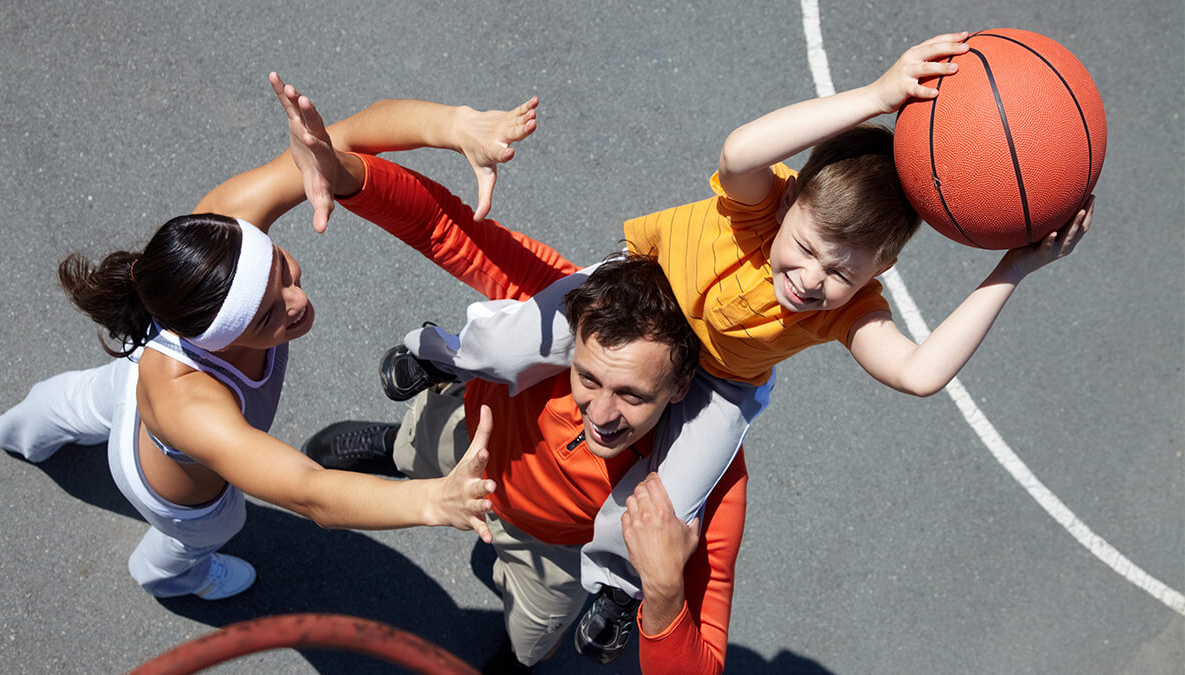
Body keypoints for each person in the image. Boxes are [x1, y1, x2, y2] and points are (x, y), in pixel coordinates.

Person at [378, 31, 1096, 660]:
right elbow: (741, 148)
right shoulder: (757, 206)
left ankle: (615, 587)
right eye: (807, 249)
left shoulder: (848, 311)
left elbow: (919, 372)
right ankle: (440, 353)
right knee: (511, 343)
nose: (810, 280)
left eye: (840, 272)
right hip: (645, 287)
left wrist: (1014, 267)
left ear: (882, 269)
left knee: (671, 497)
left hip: (719, 383)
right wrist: (877, 96)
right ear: (791, 203)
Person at [0, 74, 544, 600]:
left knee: (86, 398)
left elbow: (347, 136)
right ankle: (168, 578)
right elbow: (309, 490)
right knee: (203, 536)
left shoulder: (224, 227)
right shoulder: (188, 404)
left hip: (135, 383)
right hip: (174, 494)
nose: (297, 302)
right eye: (267, 317)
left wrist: (457, 125)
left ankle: (17, 430)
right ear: (211, 342)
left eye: (281, 270)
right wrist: (432, 500)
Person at [275, 79, 744, 673]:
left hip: (549, 550)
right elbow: (444, 228)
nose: (601, 415)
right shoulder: (571, 304)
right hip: (473, 436)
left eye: (632, 394)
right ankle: (395, 446)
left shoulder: (710, 473)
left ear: (680, 386)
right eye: (588, 378)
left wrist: (665, 590)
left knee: (528, 644)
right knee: (421, 443)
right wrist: (342, 172)